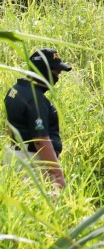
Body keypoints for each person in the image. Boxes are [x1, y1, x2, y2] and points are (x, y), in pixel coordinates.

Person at [4, 48, 72, 189]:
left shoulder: (16, 89)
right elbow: (40, 141)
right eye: (56, 71)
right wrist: (58, 175)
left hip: (15, 156)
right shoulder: (36, 99)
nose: (58, 75)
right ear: (44, 70)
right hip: (33, 163)